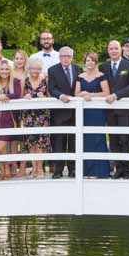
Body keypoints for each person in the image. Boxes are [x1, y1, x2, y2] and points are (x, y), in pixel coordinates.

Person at [100, 39, 129, 179]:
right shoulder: (103, 67)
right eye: (111, 48)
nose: (114, 51)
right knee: (114, 139)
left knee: (125, 139)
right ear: (108, 50)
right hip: (109, 110)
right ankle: (118, 169)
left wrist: (116, 95)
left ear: (120, 49)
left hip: (124, 109)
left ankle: (127, 171)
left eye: (116, 48)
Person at [76, 51, 111, 179]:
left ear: (95, 62)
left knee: (98, 138)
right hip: (85, 113)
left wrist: (92, 95)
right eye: (87, 60)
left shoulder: (101, 76)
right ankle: (87, 171)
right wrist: (83, 94)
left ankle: (100, 171)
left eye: (92, 60)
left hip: (98, 112)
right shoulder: (80, 76)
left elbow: (106, 92)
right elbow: (76, 93)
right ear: (84, 62)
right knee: (86, 139)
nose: (89, 62)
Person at [46, 47, 77, 178]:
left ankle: (72, 169)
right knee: (58, 141)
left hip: (75, 112)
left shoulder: (78, 70)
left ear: (72, 57)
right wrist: (60, 96)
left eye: (68, 56)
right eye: (63, 56)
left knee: (73, 142)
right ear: (59, 57)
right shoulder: (52, 70)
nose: (66, 58)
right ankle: (58, 170)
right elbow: (51, 88)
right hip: (59, 111)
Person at [21, 57, 52, 178]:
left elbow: (50, 95)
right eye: (34, 68)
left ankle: (40, 168)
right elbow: (19, 96)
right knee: (31, 142)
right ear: (29, 68)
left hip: (42, 115)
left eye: (38, 69)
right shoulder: (25, 80)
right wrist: (25, 96)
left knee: (41, 142)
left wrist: (43, 97)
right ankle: (33, 168)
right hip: (28, 115)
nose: (36, 71)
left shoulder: (45, 80)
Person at [9, 49, 30, 178]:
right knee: (12, 139)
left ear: (25, 60)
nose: (19, 61)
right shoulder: (9, 73)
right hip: (12, 108)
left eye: (21, 58)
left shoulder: (28, 73)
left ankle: (22, 167)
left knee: (23, 139)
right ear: (14, 60)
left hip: (25, 108)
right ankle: (13, 167)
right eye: (17, 58)